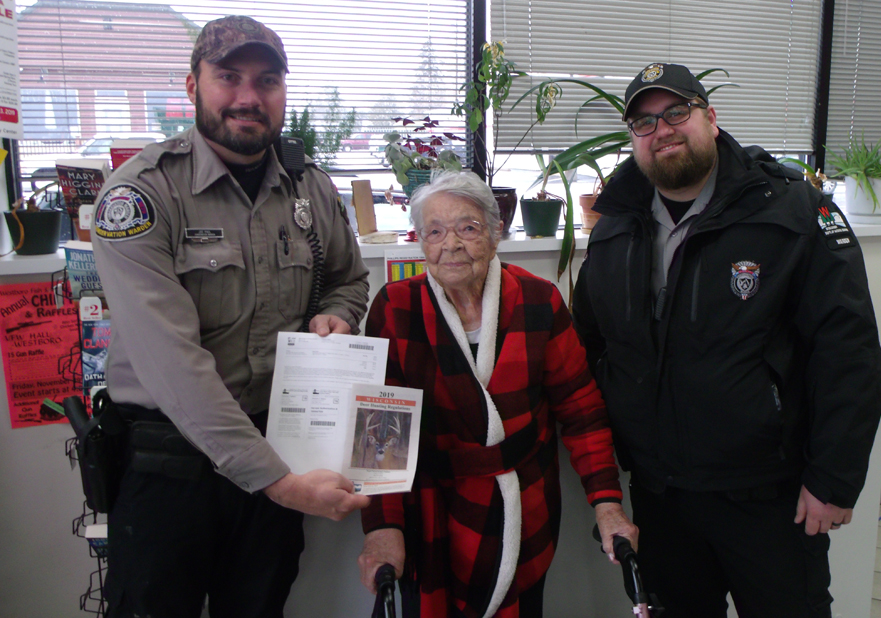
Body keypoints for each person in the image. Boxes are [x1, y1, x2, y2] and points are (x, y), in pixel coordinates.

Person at [572, 62, 881, 618]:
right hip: (660, 496)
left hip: (770, 497)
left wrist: (834, 479)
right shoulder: (616, 224)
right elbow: (590, 343)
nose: (662, 129)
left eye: (677, 112)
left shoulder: (791, 207)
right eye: (644, 122)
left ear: (710, 119)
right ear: (633, 139)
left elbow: (850, 352)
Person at [90, 16, 371, 618]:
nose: (248, 97)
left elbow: (349, 280)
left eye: (267, 80)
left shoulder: (310, 188)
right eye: (228, 77)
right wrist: (280, 482)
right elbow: (174, 366)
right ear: (192, 87)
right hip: (171, 467)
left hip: (279, 441)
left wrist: (337, 317)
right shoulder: (138, 197)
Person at [357, 171, 638, 618]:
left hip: (523, 505)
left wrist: (608, 505)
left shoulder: (537, 300)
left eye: (467, 228)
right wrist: (381, 527)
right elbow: (379, 434)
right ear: (420, 241)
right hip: (430, 508)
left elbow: (582, 411)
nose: (451, 243)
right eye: (434, 231)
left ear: (494, 234)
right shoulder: (395, 307)